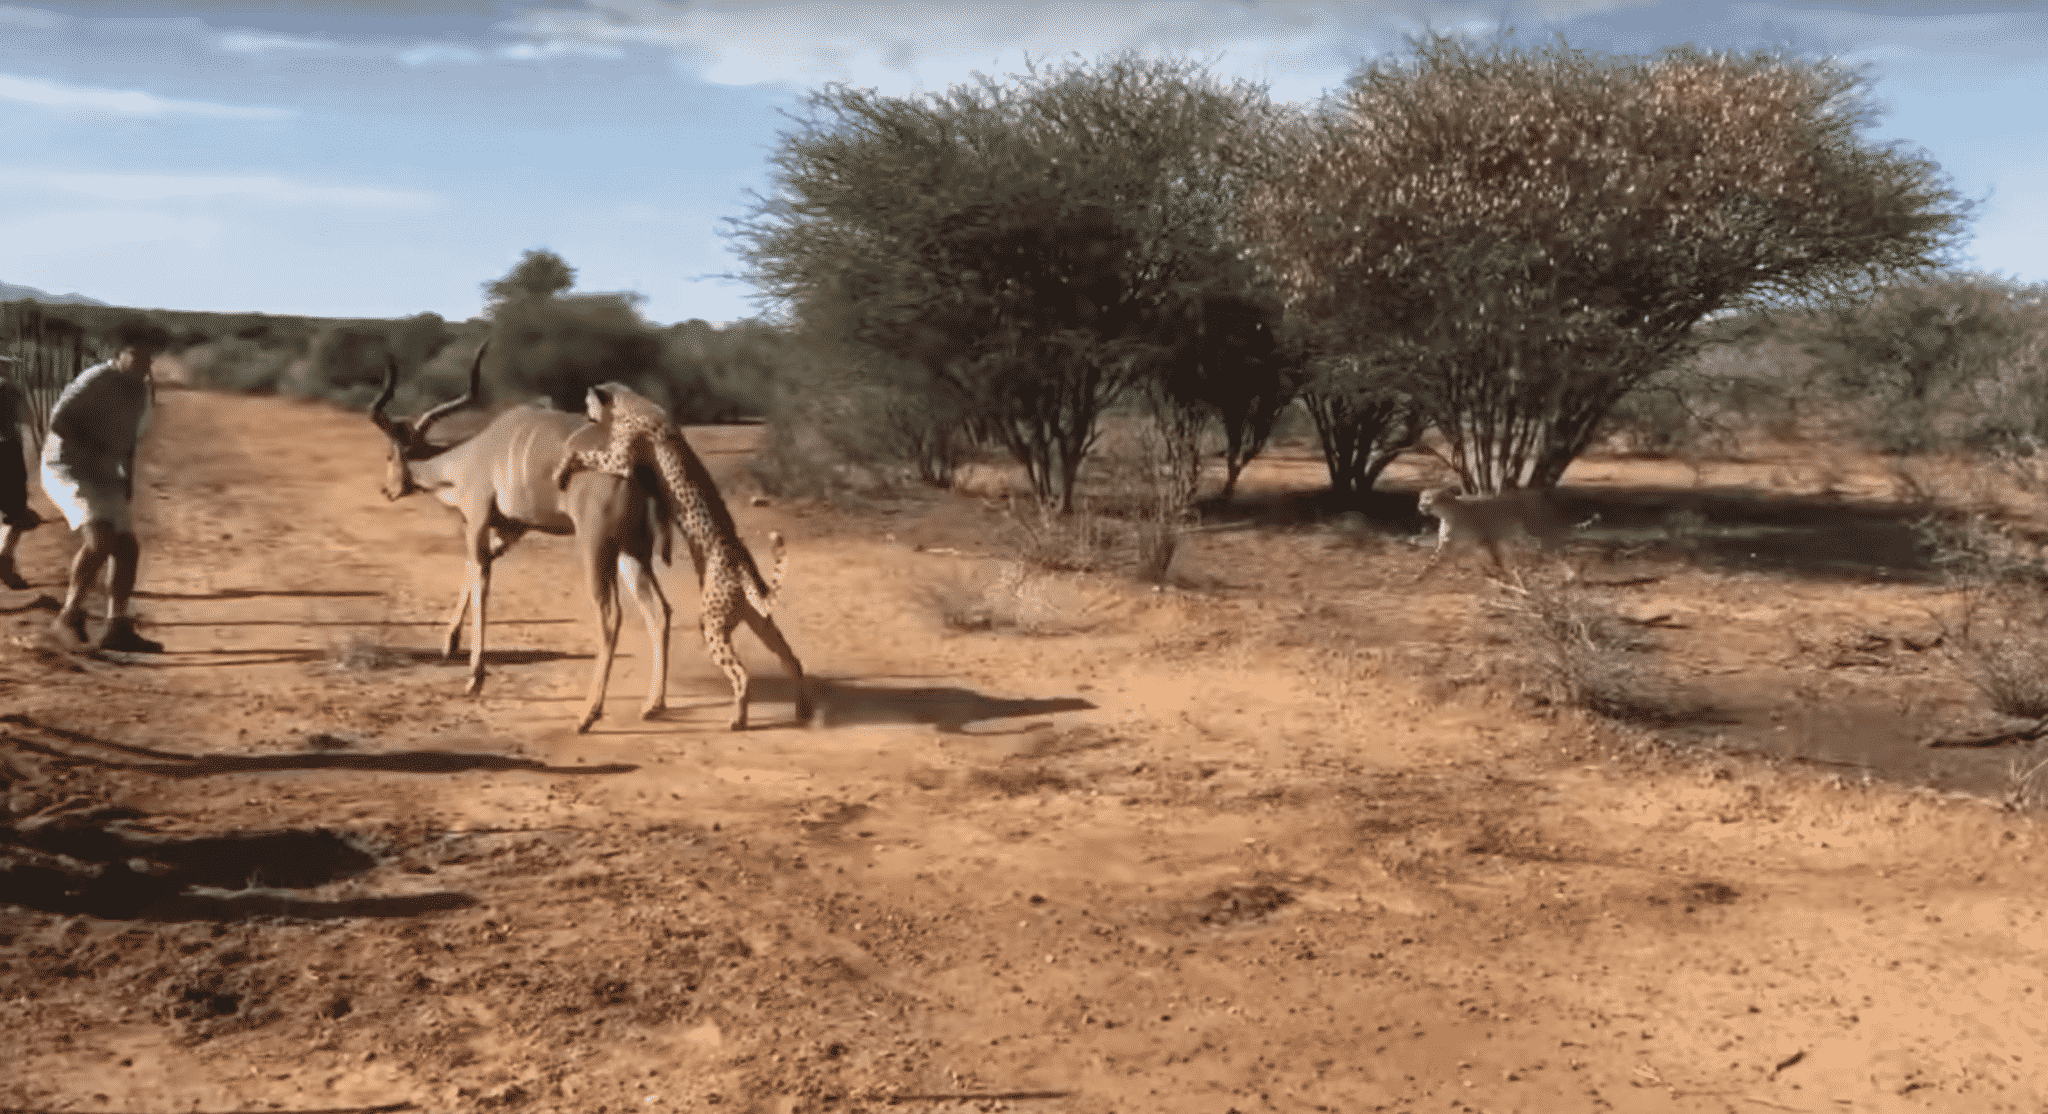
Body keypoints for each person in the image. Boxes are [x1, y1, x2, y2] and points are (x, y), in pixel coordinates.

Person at [41, 336, 162, 652]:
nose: (143, 364)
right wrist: (94, 450)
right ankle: (69, 615)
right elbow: (58, 421)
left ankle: (116, 627)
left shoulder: (139, 391)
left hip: (107, 474)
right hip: (67, 466)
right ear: (118, 355)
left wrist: (128, 481)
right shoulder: (98, 378)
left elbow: (129, 441)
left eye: (148, 359)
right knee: (100, 539)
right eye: (136, 355)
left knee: (127, 547)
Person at [0, 354, 44, 590]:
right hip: (6, 451)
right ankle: (5, 557)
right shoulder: (10, 389)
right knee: (16, 511)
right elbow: (27, 418)